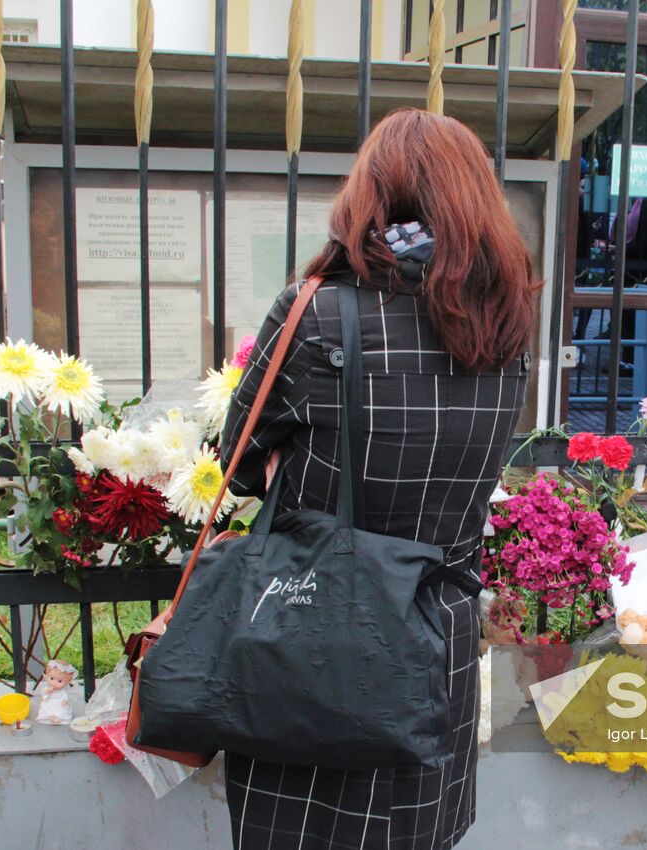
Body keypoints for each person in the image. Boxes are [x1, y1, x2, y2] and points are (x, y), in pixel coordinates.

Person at [219, 107, 536, 850]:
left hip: (318, 629)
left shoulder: (319, 315)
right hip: (438, 635)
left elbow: (237, 462)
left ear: (372, 194)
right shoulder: (507, 326)